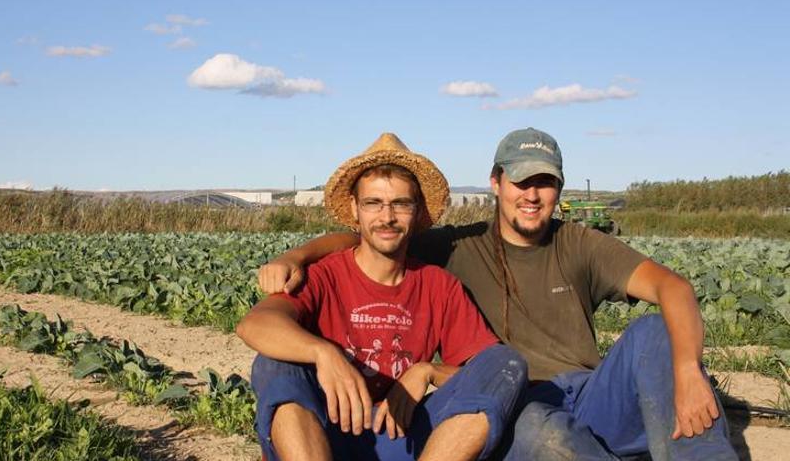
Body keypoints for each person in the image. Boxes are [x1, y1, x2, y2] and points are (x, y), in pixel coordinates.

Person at [257, 128, 738, 460]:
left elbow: (672, 286)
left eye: (544, 182)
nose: (531, 195)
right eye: (520, 181)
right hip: (518, 407)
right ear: (496, 184)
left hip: (588, 393)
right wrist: (299, 256)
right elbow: (373, 238)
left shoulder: (581, 243)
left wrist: (687, 369)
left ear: (558, 190)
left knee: (655, 331)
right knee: (540, 432)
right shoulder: (458, 246)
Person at [238, 133, 528, 461]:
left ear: (418, 212)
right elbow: (255, 324)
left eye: (401, 204)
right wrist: (323, 353)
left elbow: (481, 375)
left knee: (507, 362)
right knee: (273, 362)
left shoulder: (438, 285)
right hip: (324, 434)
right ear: (355, 209)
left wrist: (428, 371)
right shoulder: (324, 274)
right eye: (373, 203)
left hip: (401, 436)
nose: (386, 217)